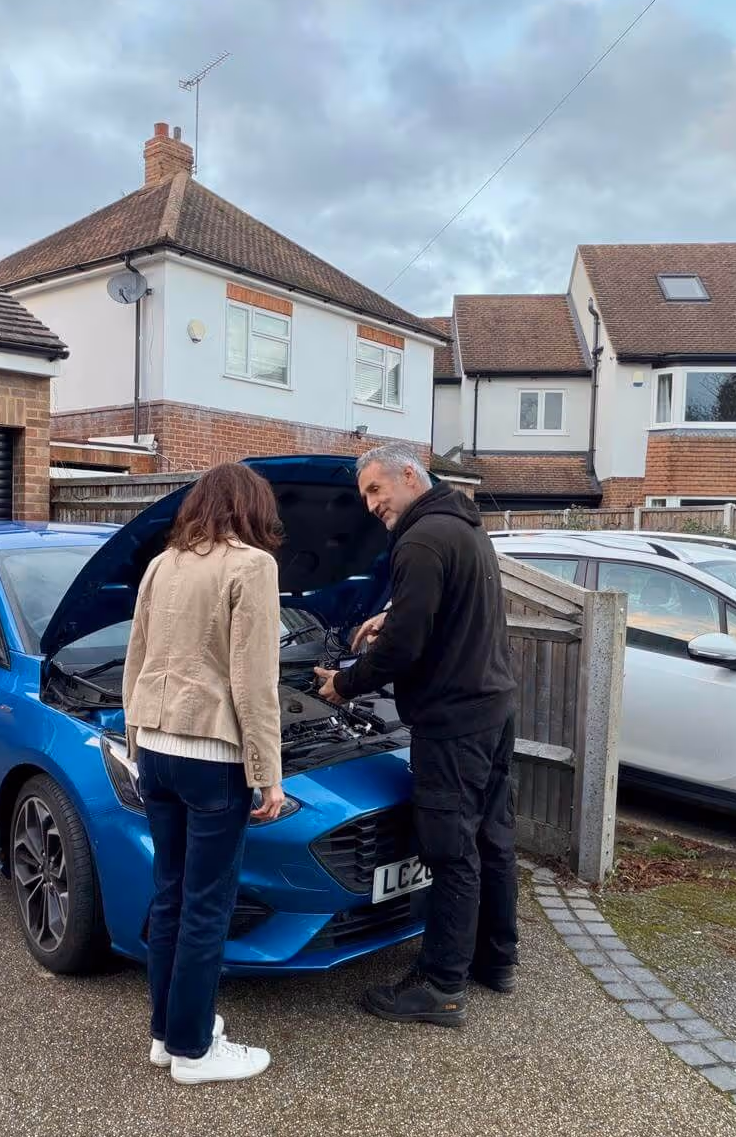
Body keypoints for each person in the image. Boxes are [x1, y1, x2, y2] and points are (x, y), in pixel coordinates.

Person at [314, 446, 517, 1027]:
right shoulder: (462, 527)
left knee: (450, 850)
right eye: (366, 498)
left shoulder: (421, 539)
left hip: (453, 721)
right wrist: (394, 609)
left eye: (376, 490)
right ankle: (495, 959)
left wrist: (345, 686)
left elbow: (405, 648)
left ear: (409, 475)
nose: (373, 506)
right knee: (492, 838)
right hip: (494, 708)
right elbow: (440, 608)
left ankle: (440, 986)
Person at [123, 462, 286, 1085]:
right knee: (206, 906)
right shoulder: (252, 566)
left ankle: (168, 1034)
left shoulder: (163, 564)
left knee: (169, 894)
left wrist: (136, 740)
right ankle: (194, 1051)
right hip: (212, 756)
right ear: (251, 508)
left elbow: (136, 656)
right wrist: (267, 773)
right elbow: (254, 680)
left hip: (157, 749)